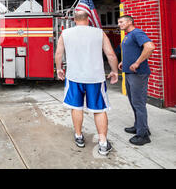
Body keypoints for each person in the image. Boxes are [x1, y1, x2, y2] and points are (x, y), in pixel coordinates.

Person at [55, 11, 119, 156]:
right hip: (95, 78)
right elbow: (111, 54)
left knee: (76, 107)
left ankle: (79, 137)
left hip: (74, 77)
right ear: (88, 19)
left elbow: (59, 53)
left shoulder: (66, 33)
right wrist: (114, 71)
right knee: (99, 109)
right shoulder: (99, 33)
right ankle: (103, 143)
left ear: (74, 20)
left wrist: (59, 69)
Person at [118, 15, 155, 146]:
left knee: (139, 104)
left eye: (121, 22)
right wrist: (125, 61)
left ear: (130, 22)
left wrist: (137, 63)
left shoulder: (137, 32)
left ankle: (143, 135)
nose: (119, 24)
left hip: (138, 74)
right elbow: (133, 51)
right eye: (118, 22)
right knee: (134, 102)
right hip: (129, 73)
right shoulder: (128, 35)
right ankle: (139, 126)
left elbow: (150, 46)